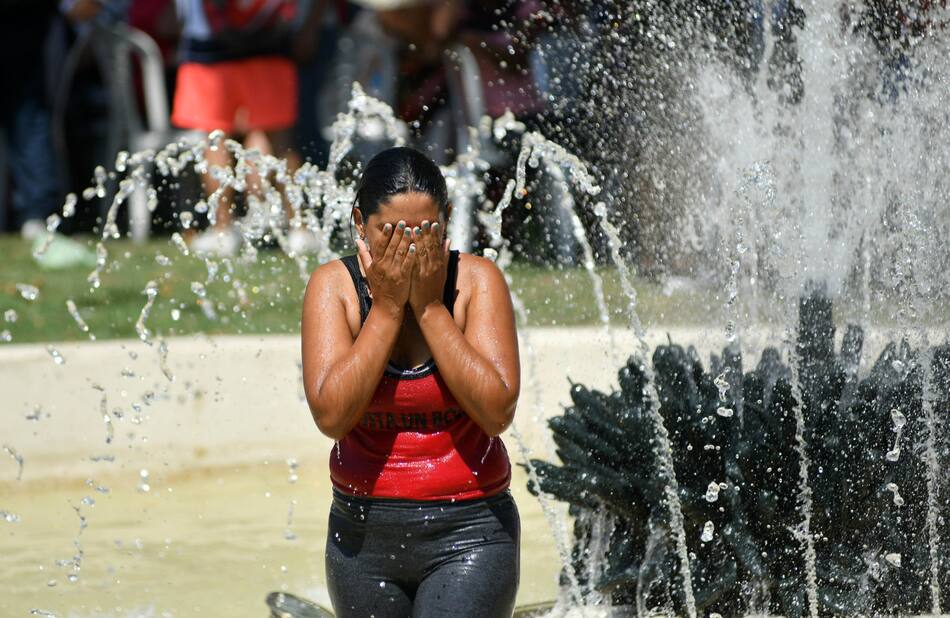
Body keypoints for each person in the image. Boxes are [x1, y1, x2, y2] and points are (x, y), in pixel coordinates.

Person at [300, 146, 521, 617]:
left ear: (447, 221)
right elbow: (332, 416)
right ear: (360, 222)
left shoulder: (476, 283)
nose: (411, 248)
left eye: (425, 232)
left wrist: (430, 309)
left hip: (470, 532)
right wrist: (384, 309)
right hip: (362, 536)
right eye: (392, 233)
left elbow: (497, 412)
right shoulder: (334, 289)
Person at [172, 0, 322, 255]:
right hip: (268, 44)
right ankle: (300, 227)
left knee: (214, 139)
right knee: (280, 140)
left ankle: (223, 229)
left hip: (210, 50)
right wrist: (310, 27)